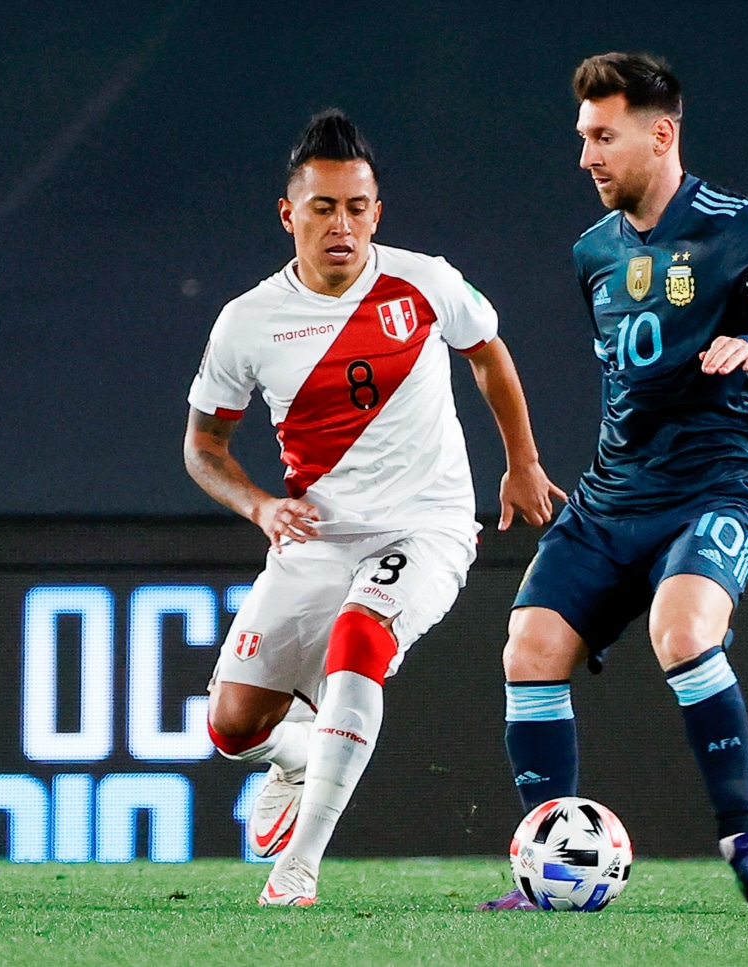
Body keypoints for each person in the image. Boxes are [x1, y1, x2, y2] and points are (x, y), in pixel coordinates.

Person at [184, 109, 562, 906]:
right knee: (230, 728)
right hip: (314, 538)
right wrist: (258, 508)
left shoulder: (424, 281)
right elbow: (202, 448)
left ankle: (300, 868)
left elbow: (488, 354)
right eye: (323, 208)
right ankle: (295, 755)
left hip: (425, 526)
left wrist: (521, 461)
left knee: (362, 637)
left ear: (376, 213)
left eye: (357, 207)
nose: (342, 225)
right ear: (290, 215)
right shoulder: (247, 322)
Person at [480, 52, 748, 911]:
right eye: (582, 138)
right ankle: (549, 867)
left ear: (660, 133)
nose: (586, 156)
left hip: (712, 490)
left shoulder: (737, 226)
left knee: (682, 630)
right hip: (609, 499)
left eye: (604, 136)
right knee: (529, 646)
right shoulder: (592, 251)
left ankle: (747, 840)